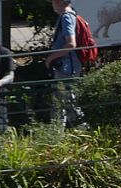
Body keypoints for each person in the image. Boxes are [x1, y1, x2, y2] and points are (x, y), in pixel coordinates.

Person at [46, 0, 84, 128]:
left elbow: (71, 43)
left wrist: (51, 58)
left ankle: (79, 130)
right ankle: (77, 131)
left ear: (58, 2)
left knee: (64, 102)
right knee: (66, 102)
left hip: (66, 68)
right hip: (68, 67)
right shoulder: (71, 15)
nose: (51, 4)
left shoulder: (66, 17)